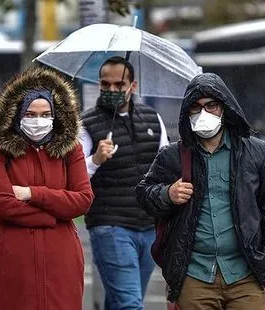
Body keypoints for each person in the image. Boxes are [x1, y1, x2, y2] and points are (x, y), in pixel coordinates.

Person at [135, 73, 265, 309]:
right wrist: (168, 193)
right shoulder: (173, 156)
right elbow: (143, 194)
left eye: (211, 106)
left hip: (248, 274)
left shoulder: (257, 152)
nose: (204, 113)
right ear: (187, 113)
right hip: (194, 276)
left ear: (224, 108)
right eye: (196, 108)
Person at [0, 67, 94, 310]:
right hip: (11, 259)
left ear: (56, 115)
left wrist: (32, 193)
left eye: (45, 114)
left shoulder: (70, 149)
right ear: (16, 114)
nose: (38, 121)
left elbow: (83, 199)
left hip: (61, 260)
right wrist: (54, 215)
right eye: (30, 114)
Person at [79, 56, 169, 309]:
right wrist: (95, 159)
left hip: (149, 227)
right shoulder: (86, 125)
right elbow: (73, 179)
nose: (111, 90)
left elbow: (167, 167)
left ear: (133, 86)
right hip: (110, 226)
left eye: (118, 84)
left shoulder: (153, 119)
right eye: (105, 84)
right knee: (129, 304)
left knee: (123, 301)